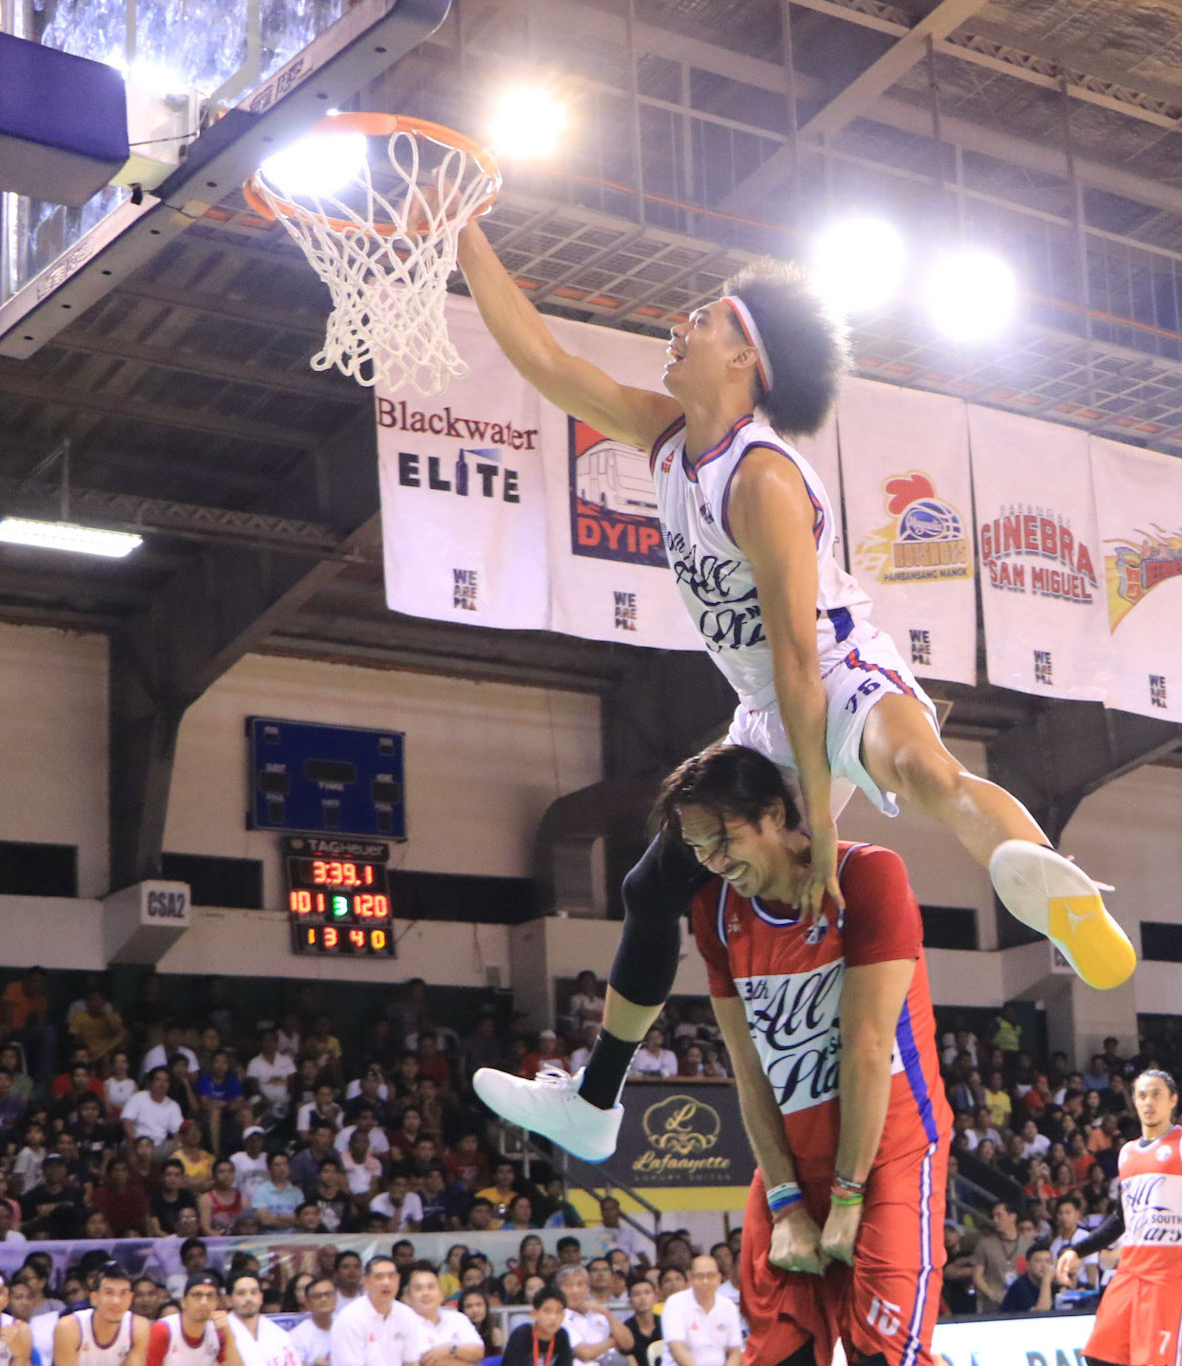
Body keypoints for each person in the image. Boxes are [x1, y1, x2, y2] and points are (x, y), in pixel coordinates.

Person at [458, 231, 1135, 1162]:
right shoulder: (665, 438)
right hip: (765, 705)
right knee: (652, 888)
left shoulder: (763, 479)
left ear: (745, 358)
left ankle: (1043, 878)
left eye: (700, 318)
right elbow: (543, 358)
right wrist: (466, 235)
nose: (676, 326)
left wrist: (816, 826)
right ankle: (595, 1104)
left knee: (923, 767)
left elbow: (799, 660)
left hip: (838, 666)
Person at [640, 745, 950, 1366]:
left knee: (881, 1357)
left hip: (889, 1155)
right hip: (790, 1168)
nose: (714, 862)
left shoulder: (869, 876)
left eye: (724, 841)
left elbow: (866, 1048)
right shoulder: (715, 909)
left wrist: (846, 1197)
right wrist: (785, 1201)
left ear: (775, 815)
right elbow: (748, 1070)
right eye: (699, 850)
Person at [1056, 1071, 1182, 1366]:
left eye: (1156, 1094)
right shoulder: (1127, 1153)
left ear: (1172, 1099)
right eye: (1142, 1095)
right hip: (1130, 1273)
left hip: (1168, 1276)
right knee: (1099, 1356)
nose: (1148, 1102)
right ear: (1134, 1102)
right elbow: (1119, 1220)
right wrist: (1077, 1250)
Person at [52, 1264, 146, 1366]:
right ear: (94, 1298)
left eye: (123, 1293)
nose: (116, 1301)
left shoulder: (138, 1327)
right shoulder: (69, 1327)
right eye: (109, 1293)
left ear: (130, 1298)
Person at [329, 1259, 413, 1366]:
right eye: (379, 1277)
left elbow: (412, 1360)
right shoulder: (350, 1318)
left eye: (391, 1276)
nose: (386, 1282)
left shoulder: (406, 1314)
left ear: (398, 1280)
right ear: (365, 1282)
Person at [659, 1261, 740, 1366]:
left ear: (719, 1278)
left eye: (711, 1276)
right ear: (690, 1278)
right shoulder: (675, 1302)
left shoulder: (728, 1305)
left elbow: (735, 1351)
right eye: (700, 1276)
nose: (705, 1281)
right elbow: (676, 1348)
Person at [399, 1265, 483, 1366]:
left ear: (441, 1295)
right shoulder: (403, 1325)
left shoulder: (458, 1318)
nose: (426, 1293)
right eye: (419, 1289)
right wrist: (464, 1359)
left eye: (431, 1287)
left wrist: (450, 1349)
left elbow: (478, 1353)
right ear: (407, 1298)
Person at [142, 1275, 221, 1366]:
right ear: (183, 1302)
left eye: (210, 1296)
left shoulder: (219, 1331)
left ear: (216, 1303)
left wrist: (228, 1333)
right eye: (197, 1295)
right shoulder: (162, 1330)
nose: (204, 1302)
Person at [221, 1274, 295, 1366]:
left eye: (253, 1292)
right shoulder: (220, 1331)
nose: (249, 1298)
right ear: (228, 1300)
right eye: (241, 1293)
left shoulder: (279, 1335)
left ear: (261, 1298)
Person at [499, 1291, 570, 1366]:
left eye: (558, 1312)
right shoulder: (521, 1335)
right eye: (547, 1311)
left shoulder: (562, 1335)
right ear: (535, 1314)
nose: (553, 1317)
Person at [283, 1283, 333, 1366]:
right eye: (317, 1296)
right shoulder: (297, 1335)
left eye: (328, 1294)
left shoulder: (345, 1327)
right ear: (308, 1302)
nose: (324, 1299)